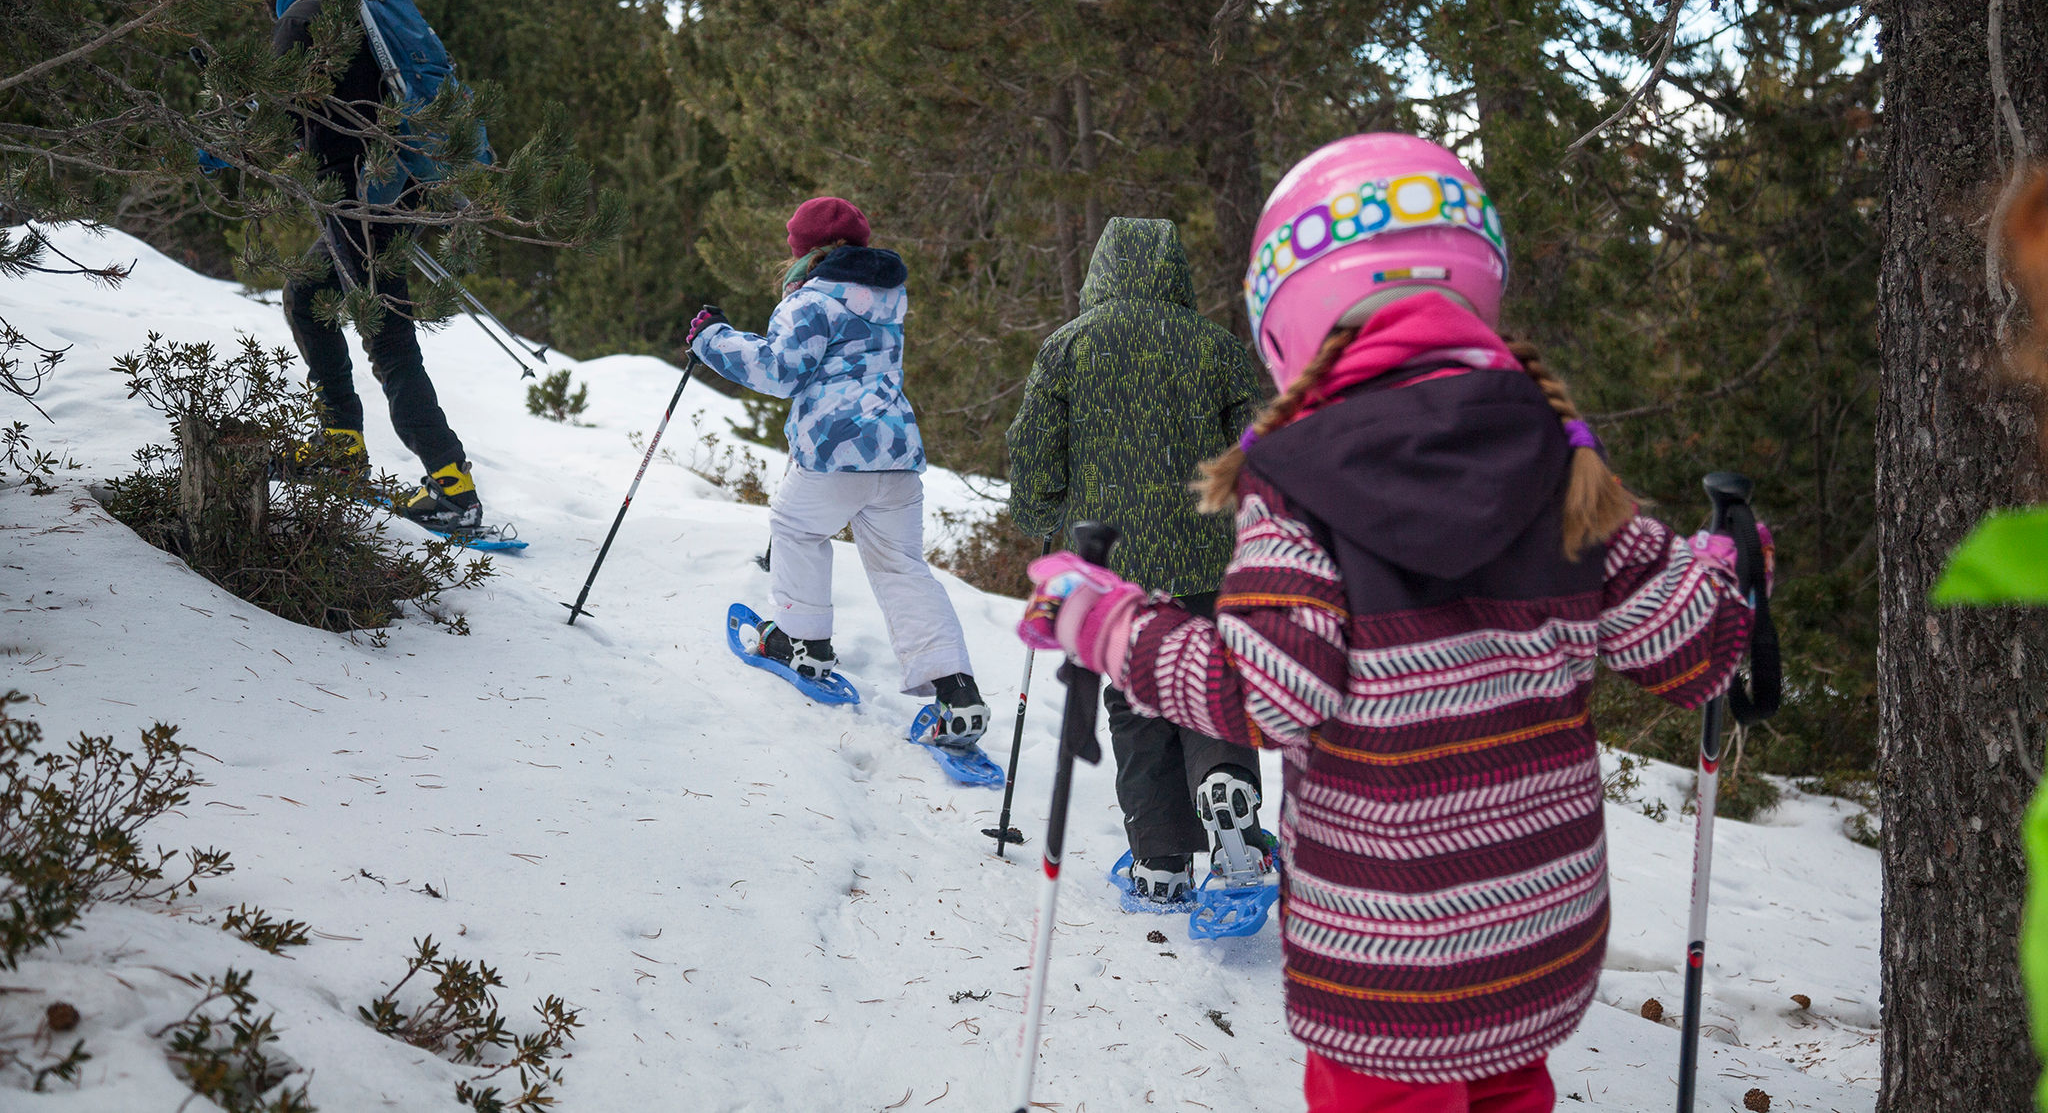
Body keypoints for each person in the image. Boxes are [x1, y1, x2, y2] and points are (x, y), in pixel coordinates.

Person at [1017, 133, 1758, 1112]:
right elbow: (1693, 646)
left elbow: (1260, 696)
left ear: (1285, 313)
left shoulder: (1295, 486)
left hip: (1382, 958)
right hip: (1533, 939)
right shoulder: (1559, 463)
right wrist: (1727, 565)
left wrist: (1100, 618)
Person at [1006, 217, 1271, 904]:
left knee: (1137, 701)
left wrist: (1044, 518)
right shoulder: (1217, 348)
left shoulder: (1066, 347)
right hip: (1206, 552)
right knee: (1212, 682)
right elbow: (1258, 446)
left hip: (1114, 562)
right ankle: (1227, 786)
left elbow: (1034, 449)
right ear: (1172, 271)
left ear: (1101, 269)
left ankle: (1160, 861)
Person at [688, 196, 988, 742]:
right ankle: (957, 693)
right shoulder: (888, 296)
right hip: (894, 454)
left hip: (834, 450)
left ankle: (803, 644)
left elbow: (780, 371)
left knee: (796, 528)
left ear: (803, 249)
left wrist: (713, 338)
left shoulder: (810, 301)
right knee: (901, 566)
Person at [264, 0, 483, 531]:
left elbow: (268, 115)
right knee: (308, 294)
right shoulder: (360, 9)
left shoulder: (303, 16)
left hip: (360, 198)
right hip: (394, 189)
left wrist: (209, 152)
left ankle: (452, 486)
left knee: (387, 339)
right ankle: (341, 449)